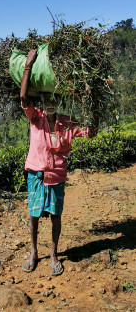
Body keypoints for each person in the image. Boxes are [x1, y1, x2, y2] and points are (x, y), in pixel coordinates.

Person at [20, 49, 99, 276]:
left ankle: (54, 253)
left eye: (55, 100)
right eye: (47, 100)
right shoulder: (36, 119)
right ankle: (34, 252)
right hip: (36, 174)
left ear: (60, 101)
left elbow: (90, 132)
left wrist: (94, 103)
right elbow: (24, 98)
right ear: (42, 103)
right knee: (34, 215)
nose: (51, 104)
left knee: (56, 216)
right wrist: (28, 64)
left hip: (56, 177)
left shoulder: (67, 123)